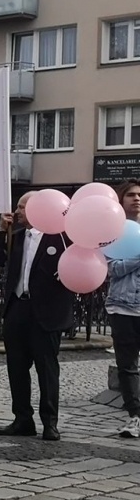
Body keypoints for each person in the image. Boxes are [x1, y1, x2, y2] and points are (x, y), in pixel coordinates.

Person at [0, 193, 73, 441]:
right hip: (18, 308)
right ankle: (22, 419)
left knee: (46, 369)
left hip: (46, 313)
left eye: (23, 207)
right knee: (16, 367)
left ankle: (50, 422)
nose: (17, 211)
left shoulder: (61, 238)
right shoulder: (16, 237)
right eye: (17, 206)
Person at [108, 180, 140, 438]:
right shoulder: (112, 231)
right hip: (123, 307)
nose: (136, 199)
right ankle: (135, 416)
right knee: (127, 366)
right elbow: (113, 269)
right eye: (130, 195)